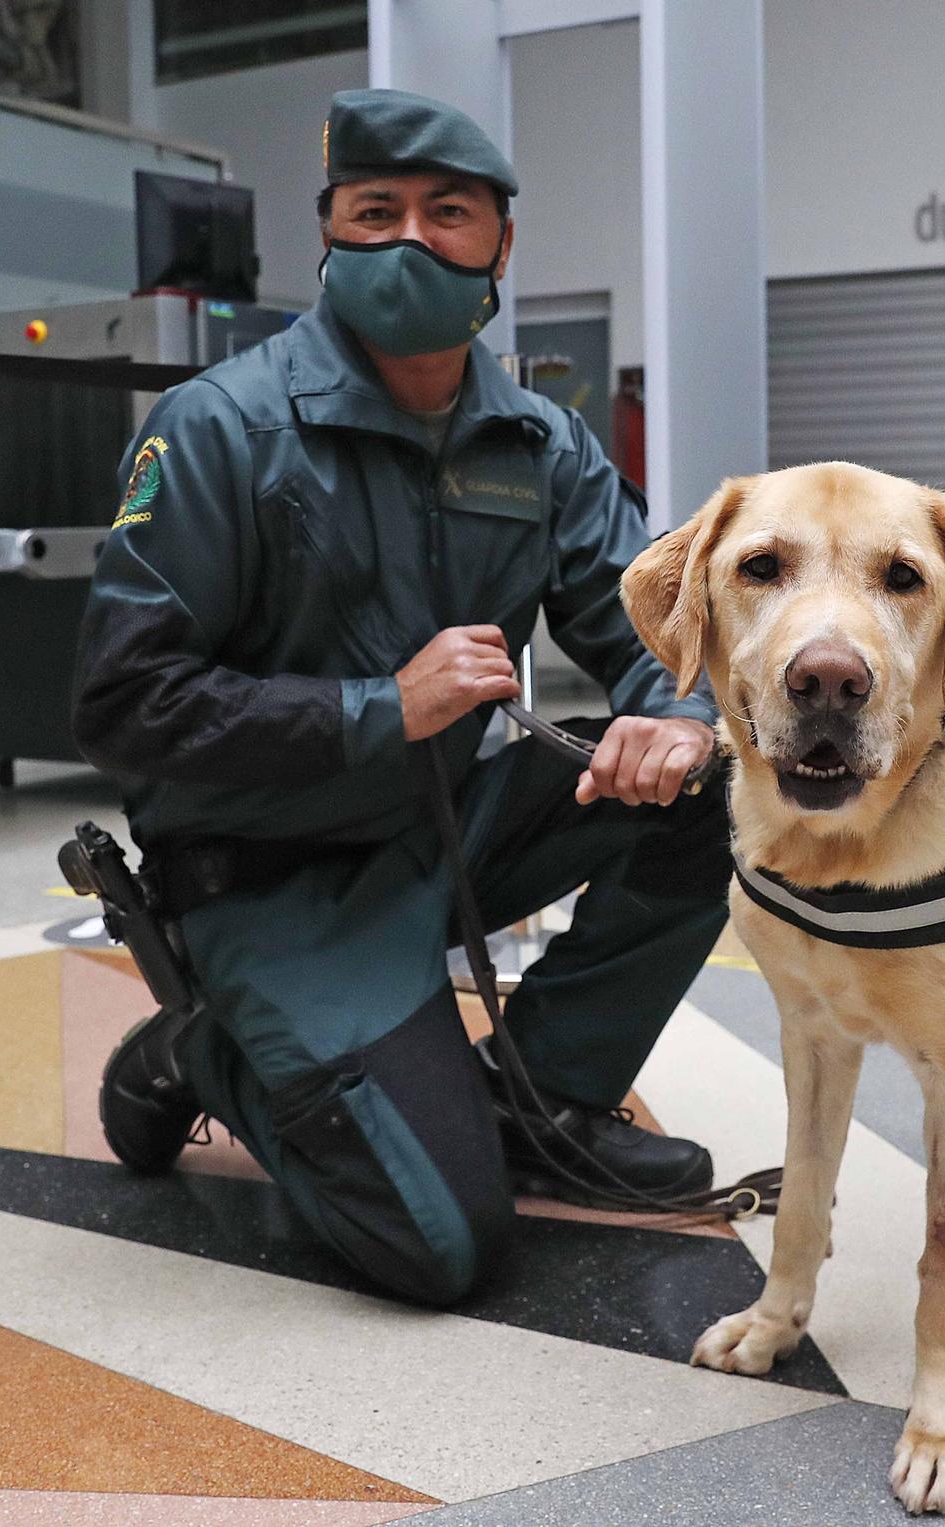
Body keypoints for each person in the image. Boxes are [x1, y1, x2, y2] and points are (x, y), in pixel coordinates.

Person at [70, 88, 729, 1307]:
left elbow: (658, 627)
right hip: (273, 877)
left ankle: (544, 1097)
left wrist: (675, 719)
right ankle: (203, 1047)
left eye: (448, 214)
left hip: (443, 826)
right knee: (440, 1251)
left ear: (501, 245)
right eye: (376, 212)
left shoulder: (539, 442)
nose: (411, 242)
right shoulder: (220, 430)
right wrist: (382, 708)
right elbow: (122, 702)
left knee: (716, 785)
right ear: (327, 234)